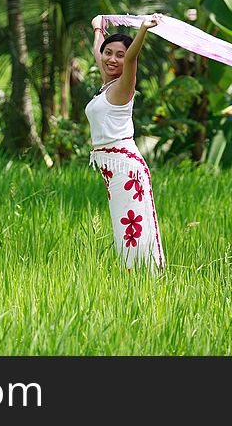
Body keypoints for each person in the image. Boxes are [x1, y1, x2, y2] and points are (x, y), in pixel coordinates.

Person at [85, 15, 165, 272]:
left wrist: (142, 30)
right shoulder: (106, 84)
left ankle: (143, 279)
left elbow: (131, 59)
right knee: (125, 228)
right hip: (115, 169)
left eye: (119, 55)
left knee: (132, 229)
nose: (111, 59)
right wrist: (98, 27)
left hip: (125, 168)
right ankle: (135, 278)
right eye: (109, 53)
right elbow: (98, 51)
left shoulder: (123, 86)